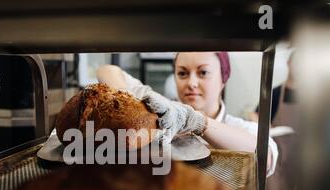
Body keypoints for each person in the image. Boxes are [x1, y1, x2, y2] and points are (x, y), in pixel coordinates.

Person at [97, 52, 278, 177]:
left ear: (224, 77)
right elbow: (107, 70)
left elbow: (266, 156)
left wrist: (195, 121)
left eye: (203, 72)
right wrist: (126, 95)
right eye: (182, 73)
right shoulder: (162, 111)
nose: (191, 82)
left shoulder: (240, 129)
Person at [251, 53, 298, 190]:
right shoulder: (276, 92)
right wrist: (263, 126)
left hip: (297, 155)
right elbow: (254, 113)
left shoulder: (313, 96)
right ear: (288, 63)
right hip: (277, 152)